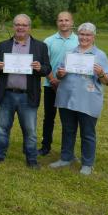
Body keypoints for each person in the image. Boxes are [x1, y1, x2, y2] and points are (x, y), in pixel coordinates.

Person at [49, 23, 108, 175]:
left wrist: (101, 73)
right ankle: (66, 158)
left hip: (88, 100)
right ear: (78, 35)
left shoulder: (100, 55)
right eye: (82, 34)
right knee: (68, 130)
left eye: (88, 35)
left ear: (93, 37)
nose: (84, 37)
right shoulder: (70, 53)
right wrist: (60, 74)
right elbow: (59, 74)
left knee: (88, 133)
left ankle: (87, 163)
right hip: (67, 98)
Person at [0, 14, 51, 169]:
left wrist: (39, 68)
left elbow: (47, 69)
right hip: (7, 94)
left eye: (24, 25)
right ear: (13, 26)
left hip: (28, 95)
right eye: (17, 24)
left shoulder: (40, 46)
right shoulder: (3, 45)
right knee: (3, 128)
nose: (20, 27)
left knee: (30, 130)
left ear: (29, 27)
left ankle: (31, 159)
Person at [38, 11, 78, 156]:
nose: (63, 23)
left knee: (69, 120)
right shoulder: (48, 41)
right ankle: (45, 146)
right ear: (57, 22)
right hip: (50, 85)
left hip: (70, 87)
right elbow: (44, 63)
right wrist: (52, 80)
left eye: (66, 20)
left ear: (72, 22)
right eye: (60, 20)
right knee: (49, 117)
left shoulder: (79, 41)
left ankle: (67, 151)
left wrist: (61, 82)